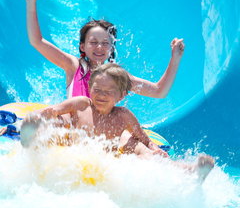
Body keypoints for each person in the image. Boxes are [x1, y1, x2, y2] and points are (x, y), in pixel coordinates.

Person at [20, 63, 214, 182]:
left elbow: (143, 138)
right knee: (57, 122)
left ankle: (189, 172)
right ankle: (30, 139)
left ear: (121, 96)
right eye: (97, 89)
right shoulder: (81, 104)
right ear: (90, 88)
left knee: (137, 147)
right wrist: (29, 120)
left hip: (103, 163)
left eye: (108, 92)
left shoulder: (123, 116)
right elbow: (51, 111)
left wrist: (154, 148)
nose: (101, 95)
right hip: (69, 150)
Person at [26, 0, 185, 99]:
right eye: (93, 42)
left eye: (105, 43)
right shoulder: (74, 66)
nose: (100, 47)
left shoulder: (118, 76)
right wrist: (31, 3)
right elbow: (37, 41)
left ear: (111, 48)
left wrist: (175, 58)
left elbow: (159, 91)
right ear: (83, 46)